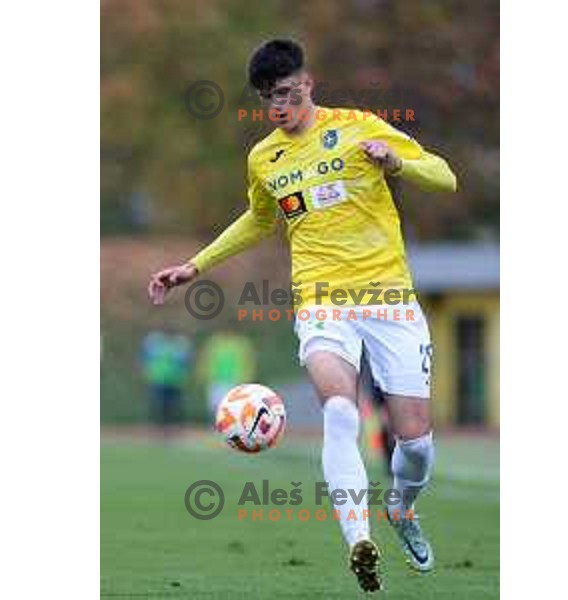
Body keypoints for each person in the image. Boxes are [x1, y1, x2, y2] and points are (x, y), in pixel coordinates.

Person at [148, 39, 456, 592]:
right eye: (270, 99)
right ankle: (358, 540)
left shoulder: (361, 127)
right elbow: (257, 220)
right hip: (321, 302)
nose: (280, 107)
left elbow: (444, 175)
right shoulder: (264, 158)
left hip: (389, 300)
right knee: (340, 410)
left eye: (288, 94)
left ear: (309, 83)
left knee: (416, 446)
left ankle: (403, 509)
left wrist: (397, 162)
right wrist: (195, 266)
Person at [197, 329, 256, 417]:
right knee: (215, 406)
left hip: (235, 382)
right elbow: (206, 359)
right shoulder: (214, 342)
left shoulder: (241, 343)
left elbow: (248, 362)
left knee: (234, 407)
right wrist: (205, 375)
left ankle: (232, 427)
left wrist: (245, 379)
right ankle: (215, 426)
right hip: (216, 380)